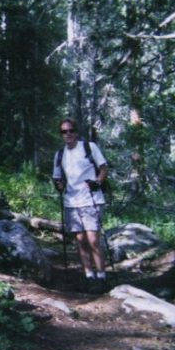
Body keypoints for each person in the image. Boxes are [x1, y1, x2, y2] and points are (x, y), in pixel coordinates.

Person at [52, 118, 109, 291]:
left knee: (93, 240)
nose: (68, 134)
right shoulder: (60, 154)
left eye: (71, 130)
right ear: (61, 135)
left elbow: (104, 168)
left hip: (91, 199)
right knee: (80, 240)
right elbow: (57, 177)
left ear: (76, 132)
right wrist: (59, 185)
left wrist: (97, 182)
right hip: (71, 201)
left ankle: (101, 276)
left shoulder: (89, 147)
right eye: (64, 131)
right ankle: (89, 276)